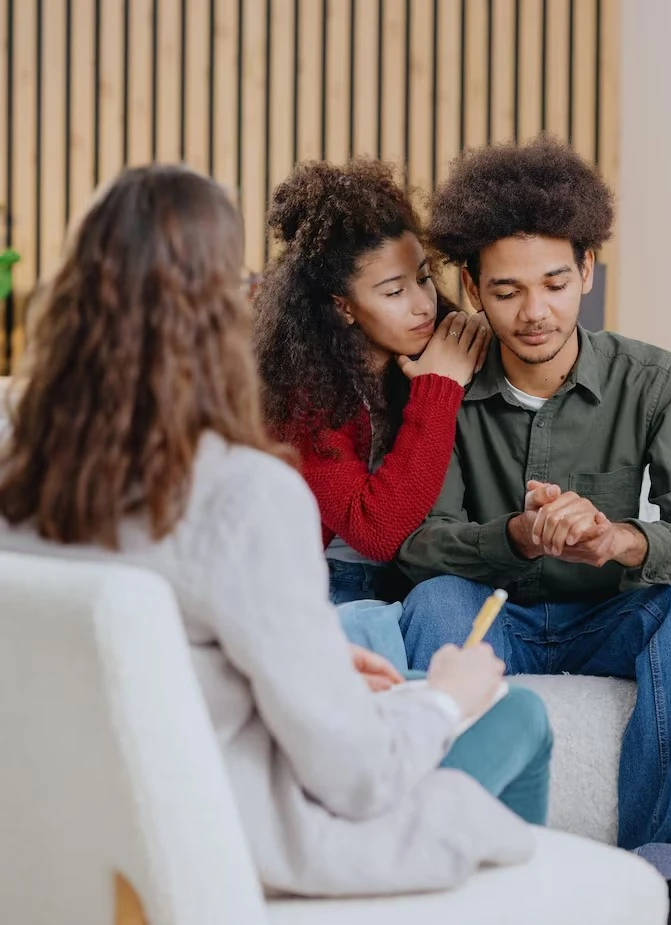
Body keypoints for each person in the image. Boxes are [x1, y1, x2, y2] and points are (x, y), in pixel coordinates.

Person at [0, 164, 553, 898]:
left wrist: (310, 656)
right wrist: (447, 697)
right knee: (516, 713)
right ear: (213, 317)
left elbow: (148, 648)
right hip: (253, 841)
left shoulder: (21, 486)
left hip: (85, 838)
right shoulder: (245, 491)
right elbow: (357, 775)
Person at [396, 136, 671, 923]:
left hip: (613, 613)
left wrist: (623, 539)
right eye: (507, 290)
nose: (535, 312)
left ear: (588, 270)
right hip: (496, 612)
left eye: (555, 283)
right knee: (434, 601)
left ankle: (664, 870)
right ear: (472, 288)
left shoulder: (655, 379)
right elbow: (413, 545)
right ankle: (465, 857)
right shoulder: (445, 384)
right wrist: (514, 536)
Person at [253, 160, 490, 606]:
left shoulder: (440, 345)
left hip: (419, 579)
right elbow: (376, 531)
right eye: (394, 292)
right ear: (343, 306)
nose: (423, 305)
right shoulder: (303, 397)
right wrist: (438, 387)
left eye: (423, 278)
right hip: (322, 586)